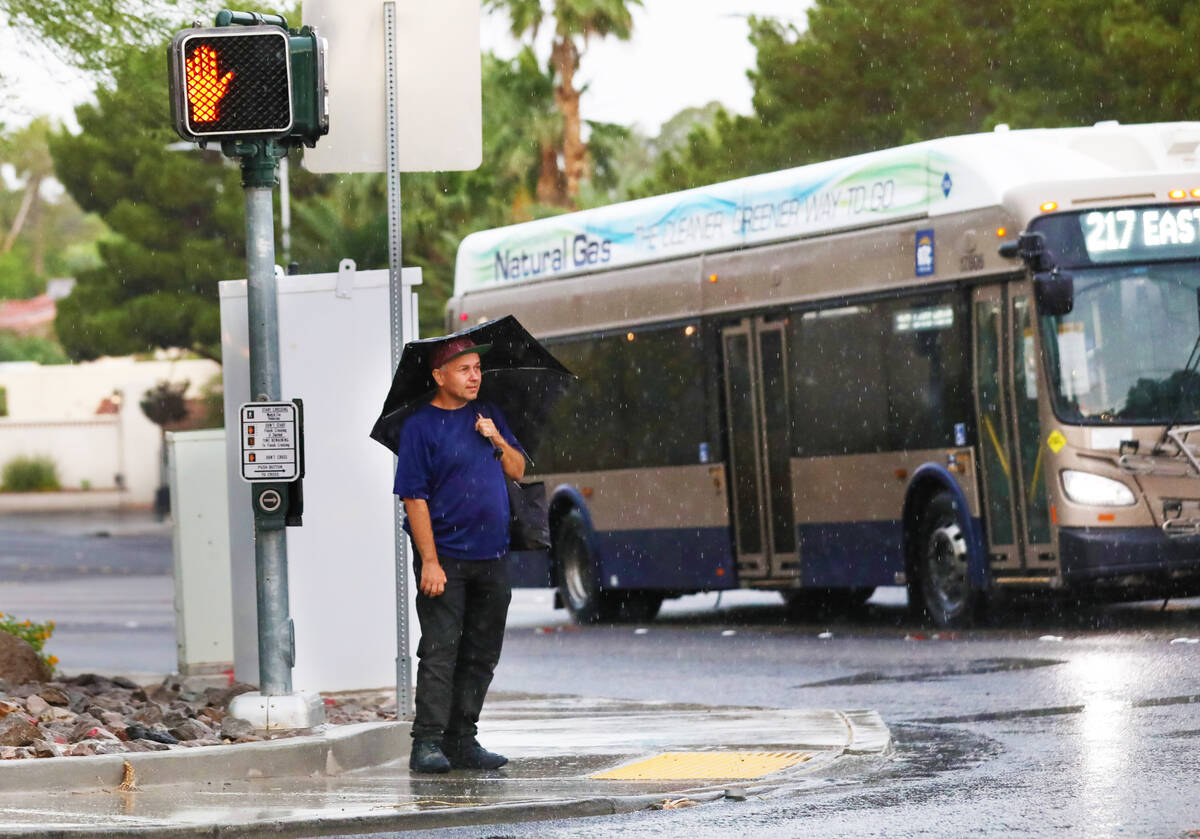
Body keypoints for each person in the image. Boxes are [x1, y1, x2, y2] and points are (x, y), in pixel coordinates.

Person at [393, 335, 526, 774]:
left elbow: (519, 469)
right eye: (464, 369)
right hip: (445, 559)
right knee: (440, 650)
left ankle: (463, 740)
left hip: (494, 556)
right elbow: (414, 498)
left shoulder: (487, 416)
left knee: (482, 651)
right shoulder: (419, 427)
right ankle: (426, 742)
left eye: (477, 369)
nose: (475, 377)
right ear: (439, 376)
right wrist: (429, 561)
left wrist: (497, 439)